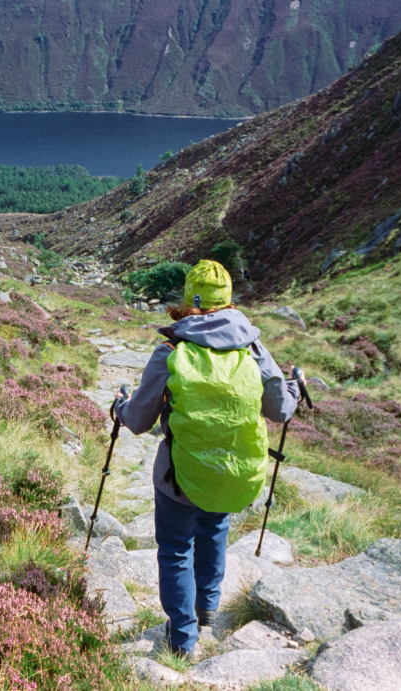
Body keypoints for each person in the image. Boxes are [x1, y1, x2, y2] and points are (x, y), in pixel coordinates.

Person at [114, 259, 303, 657]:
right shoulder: (253, 347)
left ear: (189, 299)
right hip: (233, 472)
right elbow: (280, 411)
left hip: (178, 478)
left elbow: (137, 421)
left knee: (175, 549)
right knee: (215, 526)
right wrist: (295, 388)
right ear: (229, 299)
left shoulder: (171, 349)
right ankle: (208, 610)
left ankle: (182, 639)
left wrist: (121, 405)